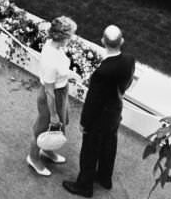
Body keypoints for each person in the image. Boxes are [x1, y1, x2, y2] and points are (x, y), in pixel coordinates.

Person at [62, 25, 136, 197]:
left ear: (103, 41)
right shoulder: (129, 60)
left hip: (98, 118)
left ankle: (84, 186)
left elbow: (93, 101)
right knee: (109, 145)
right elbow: (127, 83)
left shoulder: (102, 72)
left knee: (89, 150)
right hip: (115, 112)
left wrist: (84, 122)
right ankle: (104, 177)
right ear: (121, 41)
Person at [27, 15, 77, 177]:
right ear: (63, 37)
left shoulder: (55, 46)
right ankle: (33, 158)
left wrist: (70, 75)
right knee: (43, 129)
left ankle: (47, 151)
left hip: (61, 92)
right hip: (52, 96)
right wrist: (54, 113)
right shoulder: (51, 59)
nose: (72, 38)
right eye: (71, 35)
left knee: (57, 127)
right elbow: (49, 91)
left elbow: (60, 70)